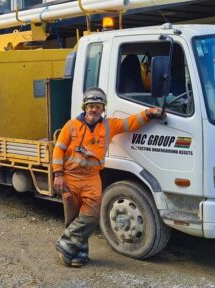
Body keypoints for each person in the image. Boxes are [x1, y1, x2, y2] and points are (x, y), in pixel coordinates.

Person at [52, 87, 165, 267]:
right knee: (73, 219)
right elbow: (59, 149)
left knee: (90, 217)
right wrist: (58, 174)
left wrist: (149, 113)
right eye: (90, 106)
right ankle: (77, 255)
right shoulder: (71, 125)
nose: (93, 109)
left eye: (98, 106)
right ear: (84, 107)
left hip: (91, 179)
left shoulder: (108, 126)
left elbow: (130, 123)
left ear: (103, 109)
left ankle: (65, 244)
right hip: (70, 178)